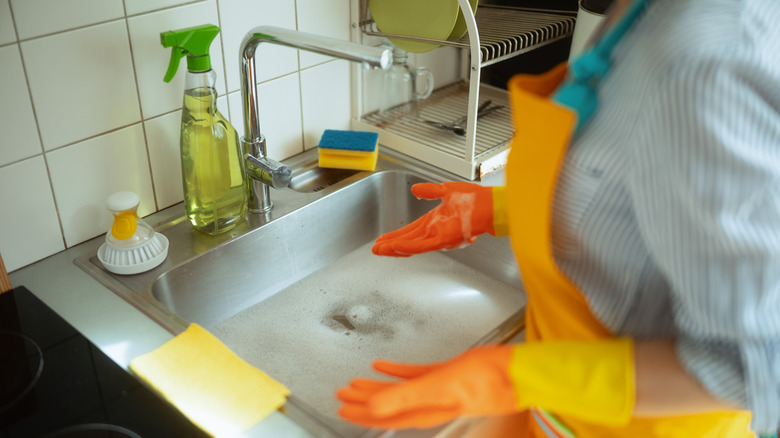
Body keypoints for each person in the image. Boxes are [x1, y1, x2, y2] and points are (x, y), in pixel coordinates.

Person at [335, 0, 780, 436]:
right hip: (564, 416)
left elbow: (753, 368)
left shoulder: (707, 55)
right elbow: (637, 183)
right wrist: (500, 209)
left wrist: (505, 378)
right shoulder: (649, 14)